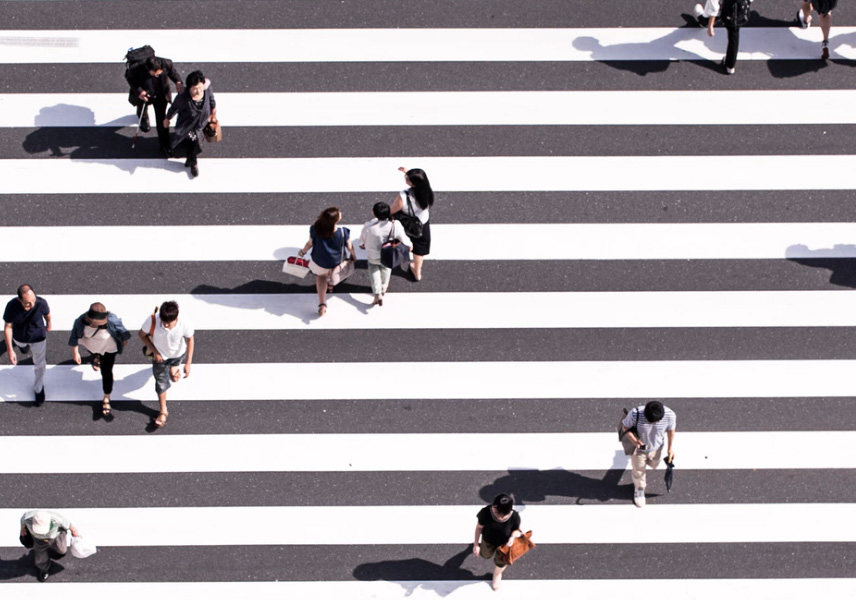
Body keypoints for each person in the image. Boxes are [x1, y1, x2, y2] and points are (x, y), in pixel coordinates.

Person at [137, 301, 194, 428]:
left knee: (175, 364)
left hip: (178, 353)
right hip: (160, 358)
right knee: (161, 382)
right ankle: (163, 411)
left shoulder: (184, 322)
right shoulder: (153, 320)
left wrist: (188, 363)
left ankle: (174, 369)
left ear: (176, 318)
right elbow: (141, 334)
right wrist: (155, 351)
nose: (166, 325)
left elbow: (190, 339)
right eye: (164, 322)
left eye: (169, 322)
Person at [69, 302, 131, 416]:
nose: (93, 325)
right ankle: (97, 357)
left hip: (109, 349)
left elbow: (124, 333)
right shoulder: (81, 320)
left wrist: (122, 342)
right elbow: (74, 335)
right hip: (92, 346)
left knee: (106, 372)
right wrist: (75, 352)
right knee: (94, 353)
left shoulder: (112, 320)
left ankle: (106, 396)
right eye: (92, 323)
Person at [298, 207, 356, 316]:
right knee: (335, 273)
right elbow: (349, 246)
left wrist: (302, 252)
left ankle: (322, 304)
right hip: (337, 261)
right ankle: (331, 283)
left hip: (319, 260)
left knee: (321, 277)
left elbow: (310, 243)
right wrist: (353, 256)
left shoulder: (315, 229)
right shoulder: (343, 232)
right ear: (337, 220)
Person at [620, 400, 677, 507]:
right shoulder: (635, 413)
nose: (651, 424)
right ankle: (639, 489)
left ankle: (642, 474)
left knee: (654, 464)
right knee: (639, 470)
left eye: (654, 422)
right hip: (639, 450)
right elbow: (625, 427)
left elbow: (671, 431)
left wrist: (670, 448)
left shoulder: (670, 415)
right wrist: (634, 441)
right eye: (648, 421)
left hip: (657, 447)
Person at [126, 55, 184, 156]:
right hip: (145, 93)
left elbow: (173, 73)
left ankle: (164, 144)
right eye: (154, 74)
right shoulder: (137, 67)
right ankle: (142, 115)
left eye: (159, 73)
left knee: (161, 120)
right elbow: (130, 79)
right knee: (142, 107)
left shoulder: (167, 63)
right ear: (148, 69)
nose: (157, 75)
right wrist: (139, 92)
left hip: (161, 96)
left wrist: (178, 82)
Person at [164, 70, 216, 178]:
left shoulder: (206, 90)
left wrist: (213, 113)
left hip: (201, 123)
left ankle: (189, 158)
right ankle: (193, 163)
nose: (198, 91)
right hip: (188, 126)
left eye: (200, 88)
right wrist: (167, 118)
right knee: (193, 141)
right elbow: (174, 109)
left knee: (191, 141)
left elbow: (211, 100)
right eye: (194, 89)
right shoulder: (183, 98)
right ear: (189, 88)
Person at [4, 284, 51, 403]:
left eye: (33, 300)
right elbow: (8, 327)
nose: (32, 305)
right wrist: (10, 349)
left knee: (40, 364)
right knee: (22, 347)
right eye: (27, 303)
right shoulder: (11, 306)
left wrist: (49, 324)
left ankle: (38, 388)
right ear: (19, 299)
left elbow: (47, 314)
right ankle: (23, 348)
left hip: (38, 338)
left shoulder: (41, 303)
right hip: (20, 337)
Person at [359, 202, 412, 306]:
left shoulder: (369, 226)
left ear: (374, 213)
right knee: (387, 269)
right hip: (388, 254)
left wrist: (362, 245)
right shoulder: (395, 225)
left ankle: (377, 293)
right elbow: (404, 239)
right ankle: (383, 288)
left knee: (374, 270)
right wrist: (409, 246)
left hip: (373, 255)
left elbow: (362, 242)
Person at [390, 167, 434, 281]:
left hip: (405, 223)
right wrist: (408, 172)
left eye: (407, 178)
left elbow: (393, 210)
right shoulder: (427, 191)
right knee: (419, 248)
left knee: (396, 240)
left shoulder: (404, 195)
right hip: (422, 223)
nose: (405, 178)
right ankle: (417, 271)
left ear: (412, 183)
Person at [473, 493, 523, 591]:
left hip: (504, 544)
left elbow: (516, 529)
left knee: (501, 562)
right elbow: (479, 528)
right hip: (488, 540)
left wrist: (512, 537)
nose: (497, 515)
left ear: (508, 511)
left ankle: (497, 575)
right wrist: (476, 544)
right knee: (485, 555)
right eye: (495, 510)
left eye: (500, 513)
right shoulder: (486, 512)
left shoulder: (514, 517)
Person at [20, 510, 80, 582]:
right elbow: (23, 523)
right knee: (40, 556)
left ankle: (51, 553)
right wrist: (22, 530)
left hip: (56, 536)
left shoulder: (57, 519)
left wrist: (76, 535)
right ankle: (43, 568)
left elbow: (70, 526)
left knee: (62, 551)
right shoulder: (27, 518)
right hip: (38, 539)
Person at [701, 0, 750, 75]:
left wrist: (710, 26)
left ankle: (704, 20)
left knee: (717, 11)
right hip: (741, 13)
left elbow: (713, 5)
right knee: (734, 37)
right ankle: (730, 66)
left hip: (728, 13)